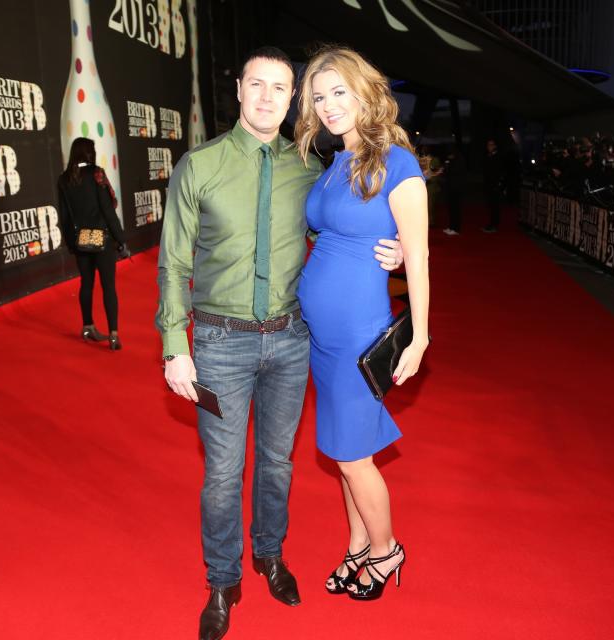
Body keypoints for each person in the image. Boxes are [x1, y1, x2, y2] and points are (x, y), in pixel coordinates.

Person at [157, 46, 403, 640]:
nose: (268, 97)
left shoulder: (310, 172)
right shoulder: (200, 165)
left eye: (281, 88)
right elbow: (172, 262)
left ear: (293, 99)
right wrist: (174, 344)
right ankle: (223, 580)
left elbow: (351, 229)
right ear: (238, 90)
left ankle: (270, 556)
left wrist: (394, 255)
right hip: (219, 344)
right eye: (256, 85)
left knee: (277, 462)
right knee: (221, 474)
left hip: (293, 342)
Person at [294, 45, 428, 601]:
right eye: (319, 97)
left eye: (338, 92)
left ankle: (385, 549)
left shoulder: (397, 161)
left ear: (365, 91)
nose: (328, 106)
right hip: (322, 339)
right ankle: (356, 546)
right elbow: (329, 236)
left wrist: (420, 337)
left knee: (351, 455)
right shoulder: (334, 165)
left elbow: (418, 254)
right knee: (346, 452)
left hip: (358, 333)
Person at [57, 137, 127, 350]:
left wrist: (71, 243)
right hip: (103, 241)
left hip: (80, 242)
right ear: (90, 153)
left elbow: (65, 215)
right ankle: (114, 334)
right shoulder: (97, 174)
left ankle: (87, 326)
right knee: (108, 287)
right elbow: (107, 210)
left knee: (85, 285)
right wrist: (121, 240)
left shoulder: (64, 179)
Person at [441, 145, 465, 235]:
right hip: (450, 188)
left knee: (456, 209)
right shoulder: (450, 160)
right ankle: (451, 227)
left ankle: (456, 229)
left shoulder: (459, 160)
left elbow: (456, 173)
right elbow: (446, 172)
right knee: (450, 208)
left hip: (456, 188)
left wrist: (448, 166)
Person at [482, 138, 504, 232]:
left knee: (495, 206)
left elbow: (500, 171)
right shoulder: (488, 156)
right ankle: (491, 224)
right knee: (491, 206)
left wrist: (498, 184)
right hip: (489, 185)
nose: (489, 147)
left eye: (491, 145)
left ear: (495, 146)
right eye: (488, 145)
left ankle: (494, 225)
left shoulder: (498, 157)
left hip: (495, 185)